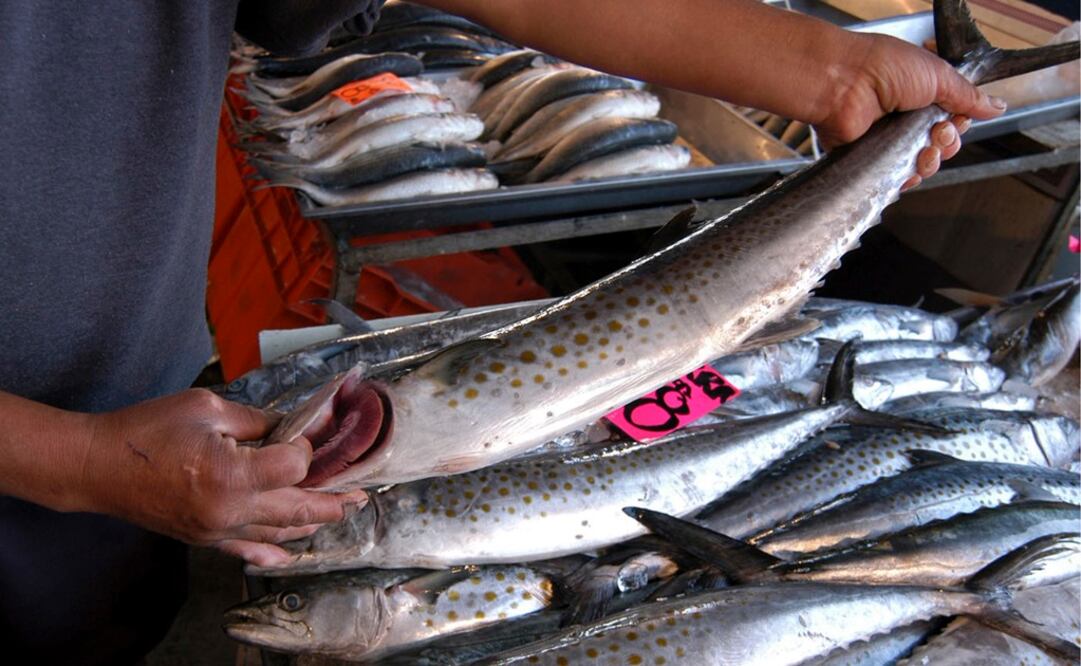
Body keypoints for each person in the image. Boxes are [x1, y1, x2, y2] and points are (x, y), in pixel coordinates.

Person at [0, 0, 1004, 662]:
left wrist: (828, 69)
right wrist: (78, 460)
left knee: (103, 621)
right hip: (59, 465)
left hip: (137, 425)